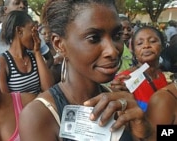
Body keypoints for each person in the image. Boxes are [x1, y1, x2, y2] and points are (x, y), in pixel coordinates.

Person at [19, 0, 150, 141]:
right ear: (59, 44)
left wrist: (142, 133)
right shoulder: (39, 116)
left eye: (116, 36)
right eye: (94, 38)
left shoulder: (119, 101)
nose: (112, 51)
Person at [0, 0, 54, 68]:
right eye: (17, 3)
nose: (22, 6)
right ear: (5, 9)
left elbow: (50, 59)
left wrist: (39, 77)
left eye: (25, 3)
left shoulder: (33, 33)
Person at [111, 26, 168, 112]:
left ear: (163, 46)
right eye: (139, 43)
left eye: (152, 41)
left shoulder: (163, 76)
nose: (146, 46)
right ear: (134, 50)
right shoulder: (124, 79)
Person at [0, 10, 54, 94]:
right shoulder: (2, 62)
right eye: (32, 29)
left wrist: (37, 52)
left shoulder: (34, 57)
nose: (36, 34)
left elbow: (48, 88)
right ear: (19, 31)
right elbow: (6, 100)